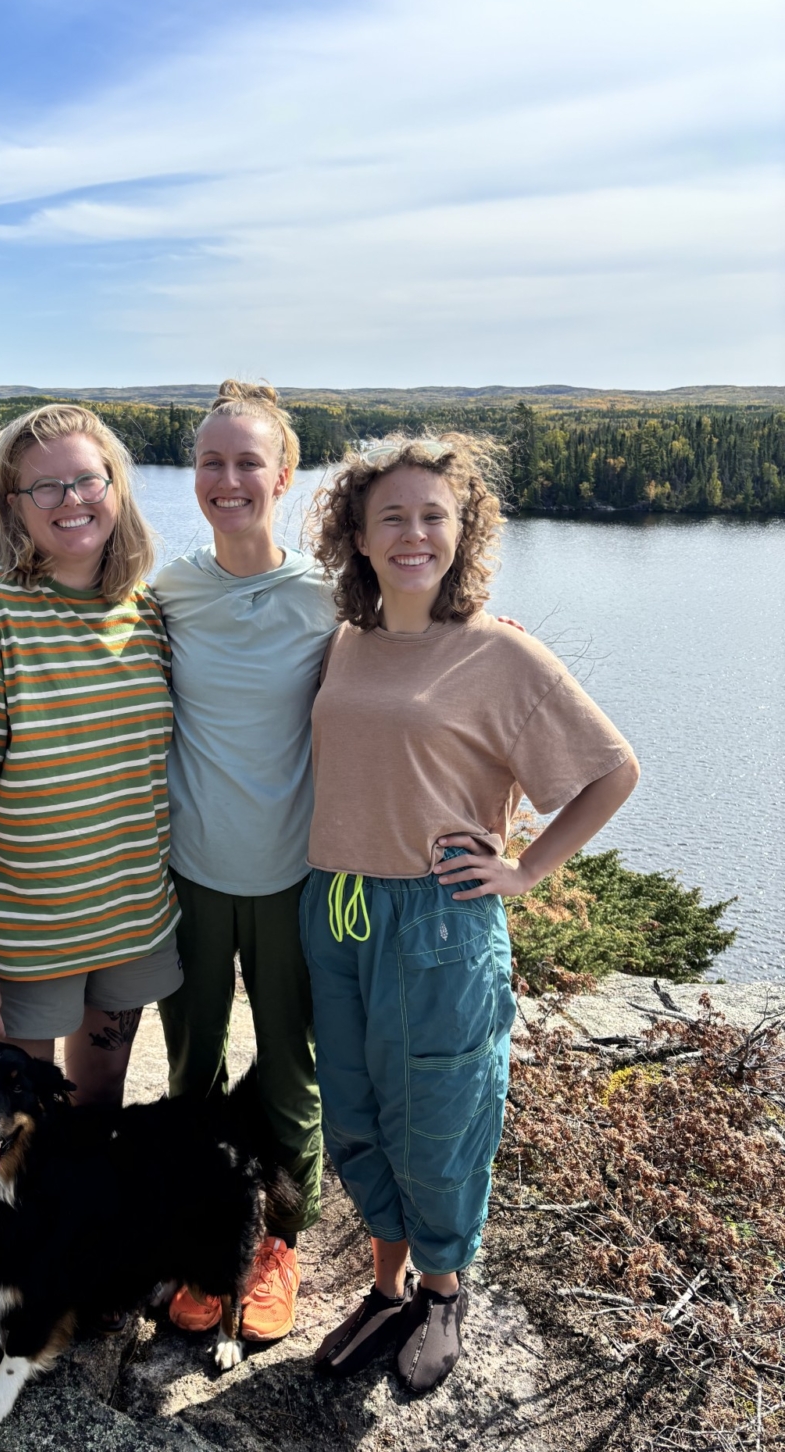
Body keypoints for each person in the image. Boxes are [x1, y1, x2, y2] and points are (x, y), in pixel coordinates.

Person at [302, 435, 640, 1394]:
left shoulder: (500, 651)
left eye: (432, 516)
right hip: (334, 906)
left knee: (439, 1116)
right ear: (358, 537)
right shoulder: (345, 641)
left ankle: (443, 1292)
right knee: (356, 1112)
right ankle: (385, 1287)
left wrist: (525, 869)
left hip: (438, 919)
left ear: (462, 531)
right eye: (391, 518)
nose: (412, 534)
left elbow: (613, 771)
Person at [0, 403, 182, 1111]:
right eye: (45, 487)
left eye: (88, 481)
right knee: (23, 1126)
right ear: (14, 505)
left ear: (115, 488)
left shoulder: (143, 610)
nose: (71, 500)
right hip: (26, 937)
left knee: (99, 1105)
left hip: (131, 919)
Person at [153, 381, 339, 1344]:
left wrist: (487, 633)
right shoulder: (166, 591)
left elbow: (416, 641)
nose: (227, 480)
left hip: (291, 876)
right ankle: (197, 1238)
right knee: (190, 1068)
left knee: (286, 1074)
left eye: (247, 462)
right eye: (210, 462)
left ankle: (275, 1245)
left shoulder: (329, 595)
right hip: (188, 872)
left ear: (284, 474)